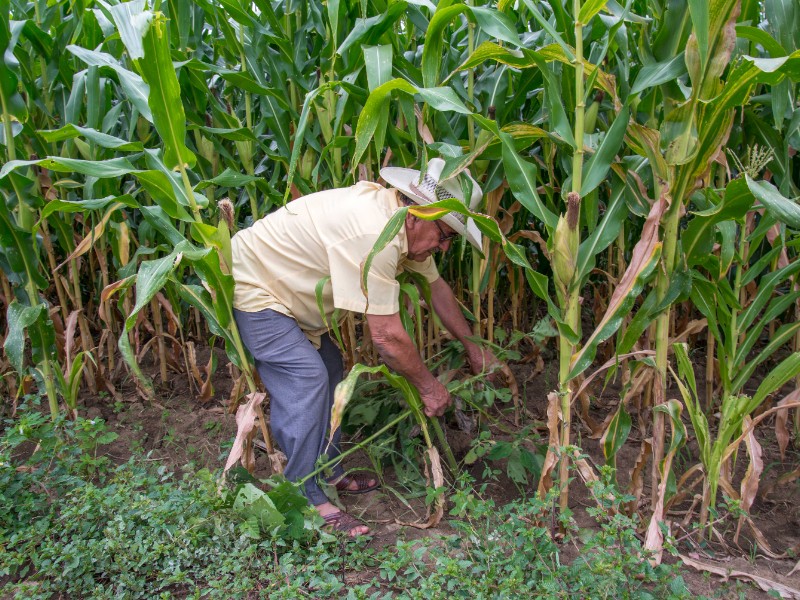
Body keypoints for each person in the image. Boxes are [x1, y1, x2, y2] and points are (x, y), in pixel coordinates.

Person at [231, 158, 500, 537]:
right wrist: (429, 387)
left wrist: (472, 346)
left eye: (450, 239)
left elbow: (436, 289)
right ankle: (301, 494)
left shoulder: (405, 226)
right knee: (308, 378)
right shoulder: (377, 235)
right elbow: (387, 337)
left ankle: (326, 468)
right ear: (416, 216)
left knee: (331, 367)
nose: (442, 245)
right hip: (257, 283)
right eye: (444, 234)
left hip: (288, 291)